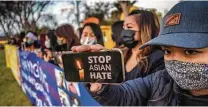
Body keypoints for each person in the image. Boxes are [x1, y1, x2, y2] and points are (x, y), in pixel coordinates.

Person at [72, 1, 208, 106]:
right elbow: (125, 95)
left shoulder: (155, 62)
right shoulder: (161, 81)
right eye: (167, 51)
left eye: (190, 51)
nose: (175, 60)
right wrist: (101, 86)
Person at [120, 10, 164, 80]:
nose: (124, 31)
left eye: (129, 27)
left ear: (145, 29)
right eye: (123, 27)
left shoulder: (157, 58)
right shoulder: (121, 55)